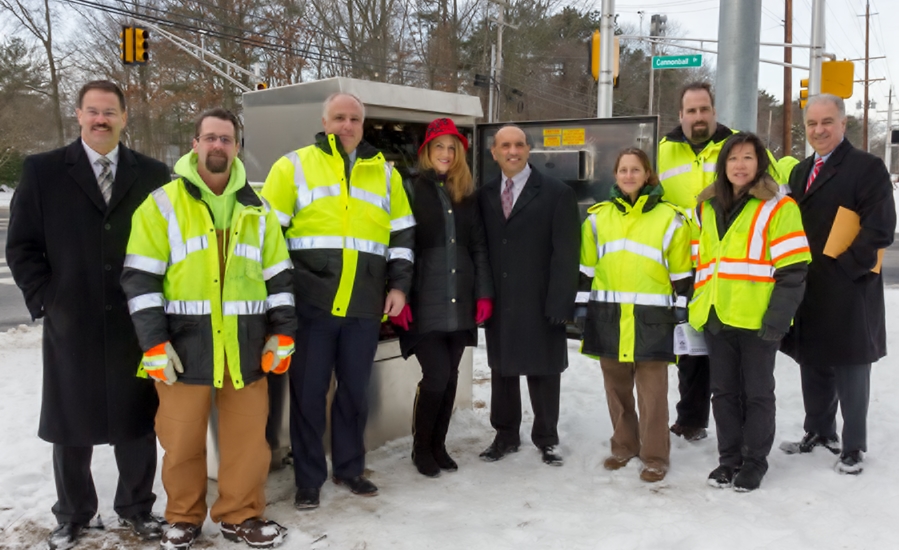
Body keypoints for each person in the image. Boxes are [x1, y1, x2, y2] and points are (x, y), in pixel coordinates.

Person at [121, 108, 296, 549]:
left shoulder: (259, 209)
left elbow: (280, 279)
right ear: (195, 143)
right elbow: (140, 280)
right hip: (183, 348)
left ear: (237, 147)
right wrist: (153, 343)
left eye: (227, 139)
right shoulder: (162, 204)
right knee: (181, 442)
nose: (218, 145)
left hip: (246, 346)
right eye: (211, 137)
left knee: (247, 444)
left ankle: (242, 515)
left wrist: (283, 333)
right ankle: (182, 518)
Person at [5, 80, 169, 549]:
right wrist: (47, 299)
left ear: (124, 117)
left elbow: (170, 242)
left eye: (110, 112)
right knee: (70, 421)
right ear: (78, 114)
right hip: (71, 318)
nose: (101, 119)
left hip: (134, 319)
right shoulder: (43, 171)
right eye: (93, 111)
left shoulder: (152, 174)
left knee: (137, 419)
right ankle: (73, 513)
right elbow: (22, 246)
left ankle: (137, 507)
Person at [261, 93, 415, 509]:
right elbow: (268, 238)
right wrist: (280, 299)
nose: (347, 125)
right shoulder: (291, 166)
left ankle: (349, 468)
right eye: (339, 117)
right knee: (309, 395)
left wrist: (399, 286)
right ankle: (308, 479)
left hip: (364, 303)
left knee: (354, 394)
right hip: (311, 302)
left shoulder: (385, 174)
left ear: (363, 125)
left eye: (355, 119)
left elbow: (402, 235)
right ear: (324, 121)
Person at [658, 81, 797, 442]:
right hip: (688, 257)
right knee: (691, 348)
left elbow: (775, 189)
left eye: (704, 109)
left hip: (738, 266)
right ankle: (691, 418)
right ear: (681, 115)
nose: (698, 116)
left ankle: (747, 443)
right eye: (691, 110)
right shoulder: (664, 151)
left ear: (714, 112)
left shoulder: (737, 144)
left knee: (739, 368)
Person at [780, 94, 896, 475]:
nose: (819, 130)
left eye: (827, 122)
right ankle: (818, 430)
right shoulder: (799, 172)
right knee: (812, 360)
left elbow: (880, 228)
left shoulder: (867, 168)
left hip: (850, 285)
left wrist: (845, 268)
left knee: (851, 366)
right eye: (812, 124)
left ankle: (853, 446)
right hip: (809, 284)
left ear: (844, 123)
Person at [689, 132, 811, 492]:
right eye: (733, 158)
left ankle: (755, 462)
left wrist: (778, 318)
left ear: (760, 164)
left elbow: (793, 270)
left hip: (758, 320)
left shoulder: (779, 207)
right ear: (723, 165)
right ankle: (728, 460)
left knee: (758, 394)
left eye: (747, 158)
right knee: (724, 393)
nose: (739, 165)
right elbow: (702, 261)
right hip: (716, 315)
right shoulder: (706, 207)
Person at [578, 148, 692, 483]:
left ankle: (655, 456)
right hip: (609, 317)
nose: (629, 175)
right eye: (623, 169)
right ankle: (624, 447)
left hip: (652, 319)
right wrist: (581, 309)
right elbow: (585, 271)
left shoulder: (670, 218)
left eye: (635, 169)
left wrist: (681, 314)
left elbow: (682, 276)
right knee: (616, 389)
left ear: (647, 174)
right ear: (616, 175)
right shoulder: (597, 218)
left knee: (652, 393)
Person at [390, 118, 493, 477]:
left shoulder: (467, 195)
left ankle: (439, 445)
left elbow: (478, 246)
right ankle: (421, 448)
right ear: (426, 151)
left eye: (452, 148)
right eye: (439, 147)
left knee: (450, 376)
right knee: (435, 375)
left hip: (459, 299)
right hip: (423, 300)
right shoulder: (408, 188)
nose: (446, 154)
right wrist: (398, 293)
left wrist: (483, 293)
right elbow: (398, 244)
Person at [476, 124, 580, 466]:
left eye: (519, 145)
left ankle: (547, 438)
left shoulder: (557, 193)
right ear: (494, 152)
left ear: (528, 150)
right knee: (502, 370)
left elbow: (566, 253)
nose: (513, 151)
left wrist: (560, 301)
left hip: (540, 298)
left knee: (544, 370)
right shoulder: (485, 195)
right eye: (505, 145)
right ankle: (505, 435)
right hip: (501, 299)